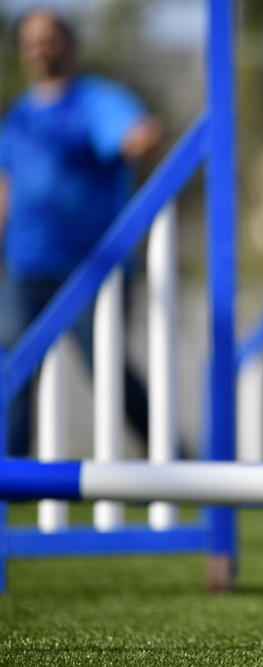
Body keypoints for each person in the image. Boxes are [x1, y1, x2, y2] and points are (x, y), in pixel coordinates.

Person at [0, 9, 162, 457]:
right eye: (30, 42)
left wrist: (140, 139)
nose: (40, 49)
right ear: (21, 51)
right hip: (26, 263)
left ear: (69, 45)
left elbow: (134, 132)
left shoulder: (95, 100)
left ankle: (172, 457)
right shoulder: (17, 117)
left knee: (106, 370)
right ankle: (10, 474)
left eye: (49, 40)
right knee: (14, 369)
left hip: (91, 265)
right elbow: (5, 187)